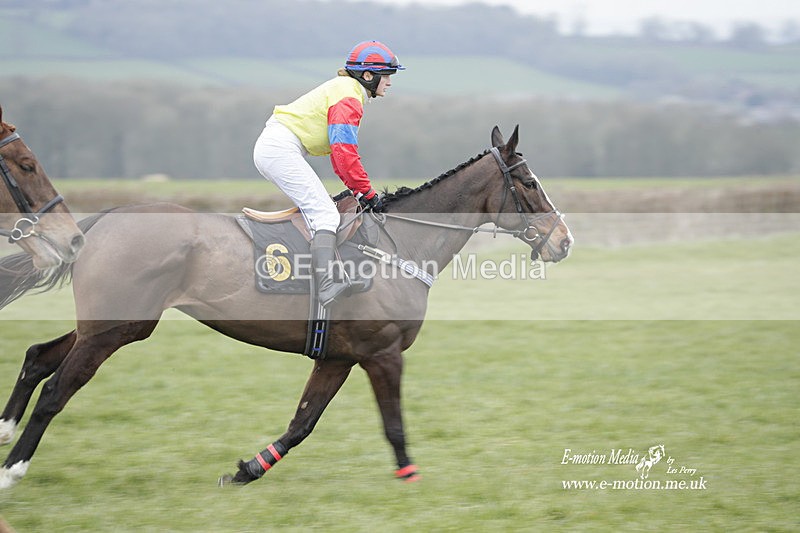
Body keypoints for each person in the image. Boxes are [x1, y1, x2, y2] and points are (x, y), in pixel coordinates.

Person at [253, 40, 404, 307]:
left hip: (278, 146)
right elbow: (344, 153)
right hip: (279, 148)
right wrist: (367, 192)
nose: (390, 82)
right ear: (368, 76)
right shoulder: (349, 98)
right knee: (324, 213)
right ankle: (326, 285)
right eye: (387, 75)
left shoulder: (348, 91)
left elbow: (340, 158)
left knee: (321, 209)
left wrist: (359, 190)